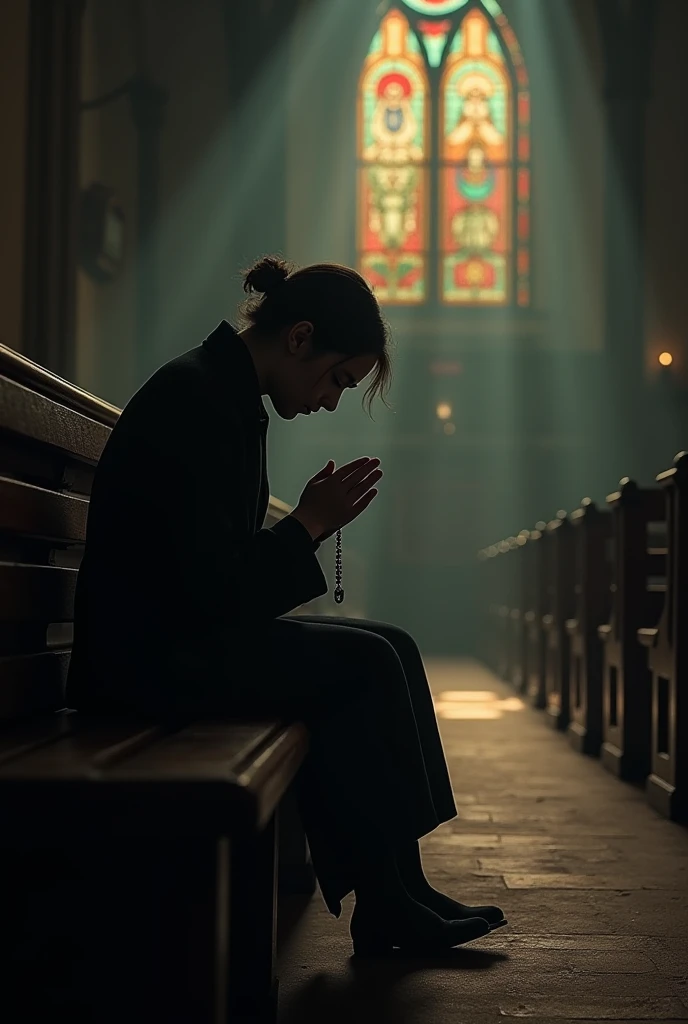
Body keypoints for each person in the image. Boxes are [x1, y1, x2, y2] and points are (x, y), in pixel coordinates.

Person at [66, 256, 506, 955]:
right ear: (299, 337)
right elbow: (210, 591)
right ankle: (387, 899)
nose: (333, 400)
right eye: (338, 378)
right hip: (144, 663)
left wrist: (305, 526)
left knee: (390, 642)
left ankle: (403, 886)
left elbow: (214, 577)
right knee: (362, 663)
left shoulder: (225, 393)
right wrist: (305, 525)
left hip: (176, 640)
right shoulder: (198, 398)